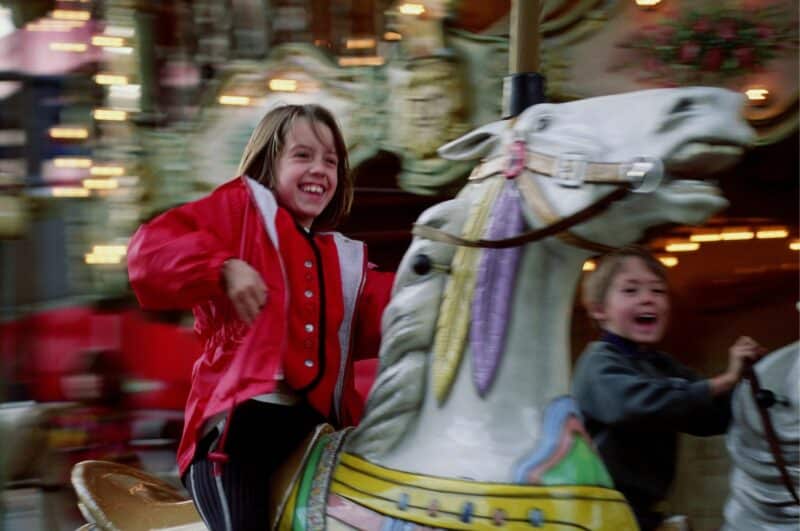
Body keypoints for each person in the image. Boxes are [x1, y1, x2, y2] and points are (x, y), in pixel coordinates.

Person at [126, 103, 394, 530]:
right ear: (269, 162)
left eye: (331, 160)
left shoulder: (342, 259)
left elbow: (392, 311)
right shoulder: (237, 212)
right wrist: (222, 267)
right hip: (237, 441)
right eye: (302, 156)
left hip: (313, 438)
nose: (320, 169)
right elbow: (150, 252)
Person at [570, 246, 764, 531]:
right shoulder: (599, 363)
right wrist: (722, 381)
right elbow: (636, 405)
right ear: (600, 310)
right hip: (605, 514)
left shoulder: (660, 364)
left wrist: (755, 384)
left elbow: (709, 414)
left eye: (658, 291)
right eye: (631, 291)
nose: (647, 298)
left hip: (645, 513)